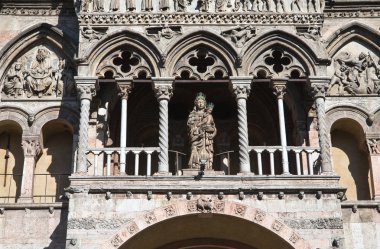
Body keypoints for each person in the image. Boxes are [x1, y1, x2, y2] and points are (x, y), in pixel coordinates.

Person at [187, 93, 217, 170]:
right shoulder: (192, 114)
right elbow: (189, 127)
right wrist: (196, 130)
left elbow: (213, 127)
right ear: (196, 103)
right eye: (199, 102)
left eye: (202, 102)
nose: (200, 104)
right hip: (196, 137)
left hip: (206, 138)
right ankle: (194, 165)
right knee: (194, 149)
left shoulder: (209, 115)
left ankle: (207, 167)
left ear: (205, 104)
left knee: (205, 152)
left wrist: (212, 132)